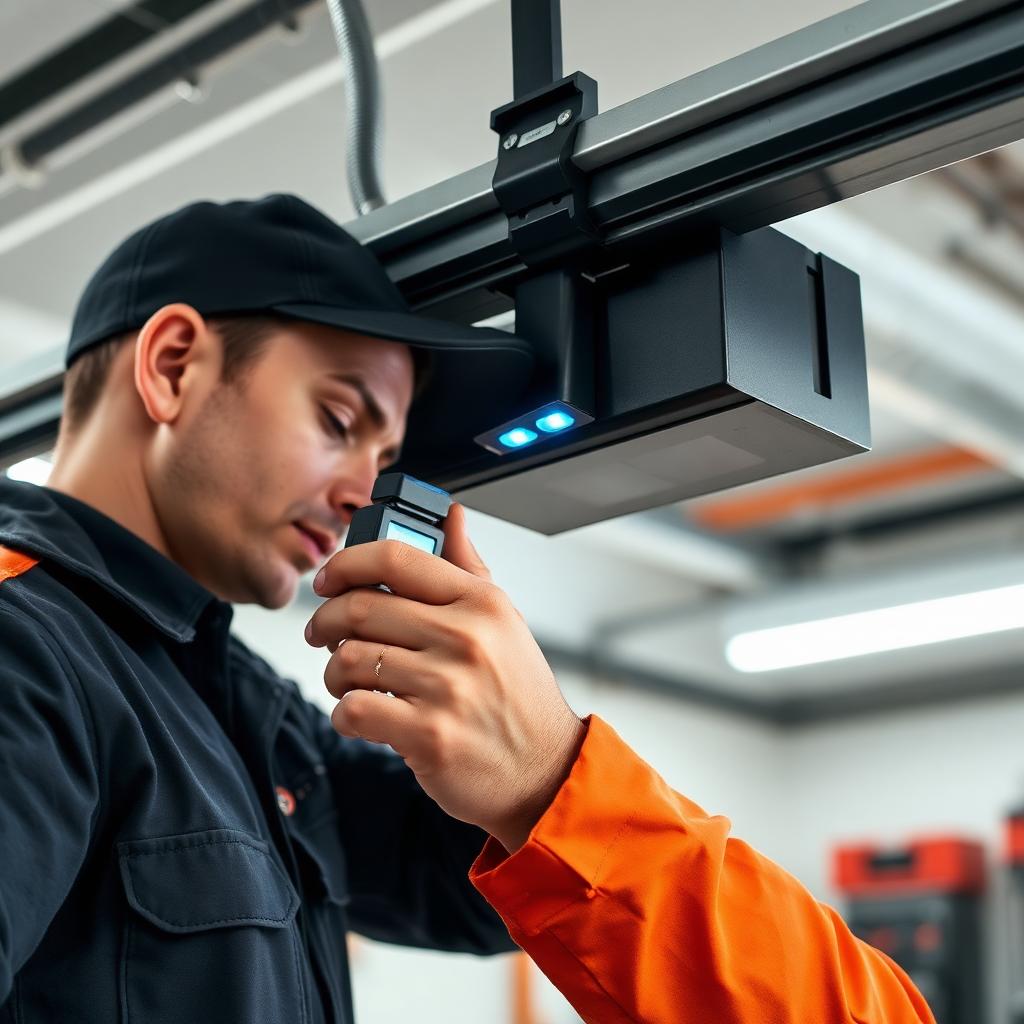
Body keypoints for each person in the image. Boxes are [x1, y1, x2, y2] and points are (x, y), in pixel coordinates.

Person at [0, 193, 933, 1024]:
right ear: (170, 367)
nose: (358, 490)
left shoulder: (237, 699)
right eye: (337, 420)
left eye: (384, 455)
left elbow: (454, 887)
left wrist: (524, 749)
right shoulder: (23, 651)